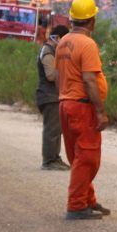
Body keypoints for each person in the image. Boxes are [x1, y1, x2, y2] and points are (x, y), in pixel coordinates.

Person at [55, 0, 110, 221]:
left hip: (66, 104)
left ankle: (88, 199)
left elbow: (59, 76)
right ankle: (76, 205)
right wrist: (100, 111)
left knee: (77, 155)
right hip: (82, 106)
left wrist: (64, 98)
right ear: (92, 20)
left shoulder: (64, 41)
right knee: (88, 157)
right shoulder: (87, 44)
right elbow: (89, 80)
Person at [37, 24, 71, 171]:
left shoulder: (52, 50)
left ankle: (55, 158)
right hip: (49, 97)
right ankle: (49, 161)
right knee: (52, 130)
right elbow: (50, 75)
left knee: (57, 129)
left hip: (54, 96)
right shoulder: (48, 52)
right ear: (56, 38)